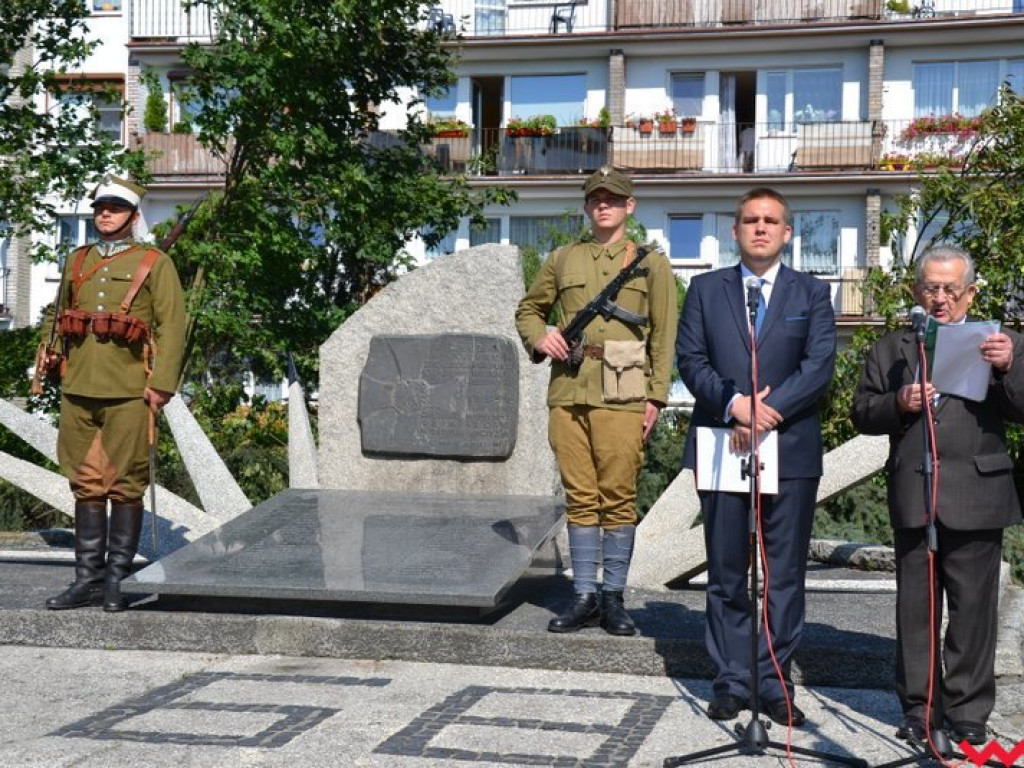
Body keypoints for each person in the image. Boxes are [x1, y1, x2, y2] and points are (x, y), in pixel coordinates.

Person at [851, 245, 1023, 746]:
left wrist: (1009, 366)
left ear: (970, 291)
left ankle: (968, 714)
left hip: (978, 489)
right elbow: (862, 411)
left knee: (972, 612)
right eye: (931, 287)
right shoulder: (892, 347)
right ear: (915, 290)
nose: (941, 297)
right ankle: (918, 710)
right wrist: (897, 403)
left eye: (951, 288)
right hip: (916, 489)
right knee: (916, 611)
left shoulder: (1003, 341)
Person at [676, 187, 836, 725]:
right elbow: (690, 359)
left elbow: (818, 366)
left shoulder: (812, 292)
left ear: (788, 232)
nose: (760, 228)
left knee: (784, 572)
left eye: (771, 221)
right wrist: (734, 403)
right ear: (736, 230)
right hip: (722, 443)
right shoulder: (704, 289)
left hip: (790, 449)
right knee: (725, 571)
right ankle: (730, 679)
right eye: (750, 220)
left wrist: (768, 412)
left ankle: (773, 678)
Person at [515, 167, 677, 636]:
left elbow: (664, 336)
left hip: (624, 389)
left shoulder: (652, 264)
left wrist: (657, 397)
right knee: (580, 497)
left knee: (618, 499)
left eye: (613, 198)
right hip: (568, 387)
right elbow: (529, 309)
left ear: (630, 206)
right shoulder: (562, 258)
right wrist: (541, 337)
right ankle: (584, 595)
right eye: (595, 198)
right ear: (587, 206)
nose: (602, 204)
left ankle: (613, 599)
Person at [44, 174, 187, 613]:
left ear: (132, 216)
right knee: (85, 482)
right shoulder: (78, 259)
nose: (105, 214)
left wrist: (161, 384)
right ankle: (86, 578)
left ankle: (117, 580)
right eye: (100, 207)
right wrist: (49, 359)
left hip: (129, 390)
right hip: (79, 385)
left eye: (115, 208)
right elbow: (59, 315)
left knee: (125, 484)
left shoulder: (153, 263)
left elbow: (172, 325)